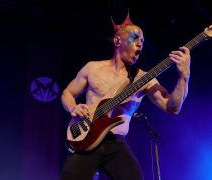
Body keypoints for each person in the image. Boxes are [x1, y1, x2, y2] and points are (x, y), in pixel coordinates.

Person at [60, 13, 191, 180]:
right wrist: (73, 107)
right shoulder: (92, 68)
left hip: (116, 143)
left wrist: (184, 76)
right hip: (85, 139)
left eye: (142, 42)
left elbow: (172, 107)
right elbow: (67, 93)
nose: (140, 44)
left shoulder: (143, 78)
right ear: (117, 41)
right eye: (135, 38)